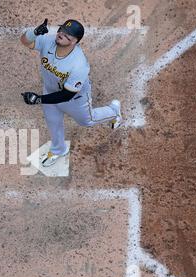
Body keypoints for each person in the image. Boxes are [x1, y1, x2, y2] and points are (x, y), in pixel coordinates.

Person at [21, 19, 122, 167]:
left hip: (74, 99)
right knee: (53, 122)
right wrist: (34, 32)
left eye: (68, 35)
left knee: (87, 121)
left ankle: (114, 112)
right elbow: (25, 41)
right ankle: (58, 150)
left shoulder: (79, 64)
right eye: (62, 29)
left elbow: (66, 95)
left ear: (75, 41)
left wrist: (39, 99)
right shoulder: (48, 41)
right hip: (50, 91)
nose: (62, 34)